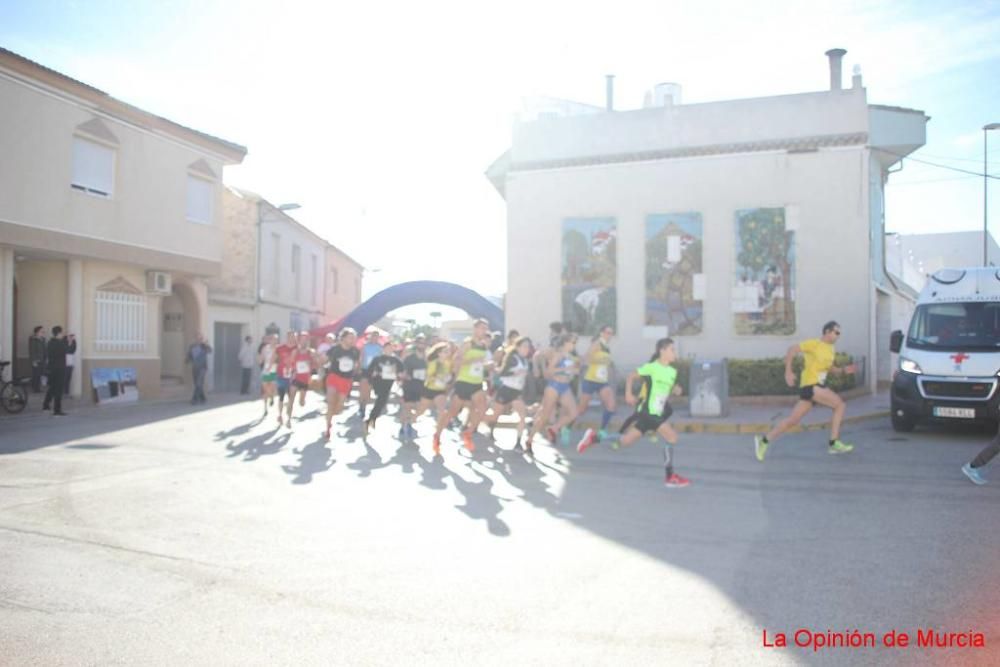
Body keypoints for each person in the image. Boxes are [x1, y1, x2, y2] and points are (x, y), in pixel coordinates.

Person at [579, 338, 689, 487]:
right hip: (648, 411)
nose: (674, 352)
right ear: (662, 351)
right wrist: (628, 394)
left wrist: (674, 390)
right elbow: (631, 376)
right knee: (672, 438)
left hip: (656, 411)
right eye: (671, 349)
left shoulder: (672, 372)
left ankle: (594, 437)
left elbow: (663, 389)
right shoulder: (652, 367)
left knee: (625, 441)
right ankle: (670, 477)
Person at [754, 321, 858, 461]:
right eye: (836, 332)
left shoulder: (831, 349)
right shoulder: (814, 344)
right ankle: (833, 443)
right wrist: (788, 372)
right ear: (827, 331)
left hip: (815, 387)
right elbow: (792, 349)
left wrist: (844, 370)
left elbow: (830, 369)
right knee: (840, 405)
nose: (838, 335)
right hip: (811, 385)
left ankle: (764, 441)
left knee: (793, 420)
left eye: (839, 333)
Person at [432, 319, 492, 454]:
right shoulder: (468, 344)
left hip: (477, 382)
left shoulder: (483, 345)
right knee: (452, 413)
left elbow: (480, 364)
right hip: (464, 382)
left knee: (483, 408)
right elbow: (456, 360)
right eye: (482, 328)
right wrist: (471, 361)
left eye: (486, 329)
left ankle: (468, 432)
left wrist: (487, 366)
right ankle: (437, 436)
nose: (484, 331)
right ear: (475, 329)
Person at [525, 333, 580, 450]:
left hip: (565, 386)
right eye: (573, 342)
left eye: (575, 343)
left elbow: (571, 372)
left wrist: (573, 372)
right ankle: (530, 439)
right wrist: (566, 369)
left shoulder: (570, 356)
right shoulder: (558, 355)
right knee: (544, 416)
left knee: (573, 413)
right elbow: (550, 371)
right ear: (565, 343)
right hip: (554, 386)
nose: (574, 345)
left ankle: (554, 428)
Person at [483, 336, 532, 452]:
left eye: (528, 347)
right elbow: (502, 373)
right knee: (496, 415)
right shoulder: (513, 358)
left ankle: (518, 442)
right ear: (518, 347)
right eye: (524, 346)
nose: (527, 349)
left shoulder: (525, 360)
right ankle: (489, 427)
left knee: (522, 415)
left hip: (516, 391)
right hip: (505, 389)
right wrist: (515, 372)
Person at [575, 326, 618, 449]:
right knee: (582, 409)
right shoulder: (597, 344)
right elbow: (587, 357)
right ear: (601, 333)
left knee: (611, 405)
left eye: (611, 333)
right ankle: (566, 428)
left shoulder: (607, 347)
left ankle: (602, 431)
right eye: (607, 332)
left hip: (602, 381)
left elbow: (606, 363)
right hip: (590, 380)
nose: (609, 335)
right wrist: (579, 363)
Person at [412, 342, 454, 454]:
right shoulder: (433, 363)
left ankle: (437, 436)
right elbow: (428, 376)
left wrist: (448, 379)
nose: (448, 353)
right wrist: (438, 377)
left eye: (448, 351)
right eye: (445, 351)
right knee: (421, 411)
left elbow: (450, 376)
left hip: (440, 391)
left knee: (442, 412)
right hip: (429, 389)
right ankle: (410, 421)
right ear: (439, 353)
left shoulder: (449, 363)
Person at [322, 328, 360, 441]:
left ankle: (331, 415)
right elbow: (324, 360)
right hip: (333, 377)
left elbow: (357, 364)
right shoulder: (335, 349)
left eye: (354, 338)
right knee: (330, 402)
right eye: (350, 337)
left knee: (339, 407)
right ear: (343, 338)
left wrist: (356, 368)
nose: (353, 340)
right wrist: (320, 360)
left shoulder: (355, 351)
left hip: (346, 380)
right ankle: (328, 427)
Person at [364, 341, 405, 437]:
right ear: (383, 349)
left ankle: (371, 419)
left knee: (381, 402)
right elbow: (370, 370)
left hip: (388, 383)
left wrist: (399, 376)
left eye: (391, 348)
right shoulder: (378, 359)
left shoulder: (396, 360)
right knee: (380, 400)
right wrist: (373, 375)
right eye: (387, 348)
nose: (389, 350)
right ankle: (371, 419)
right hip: (378, 382)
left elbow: (401, 371)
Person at [400, 335, 428, 439]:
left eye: (423, 343)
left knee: (419, 407)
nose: (422, 345)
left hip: (421, 386)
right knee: (407, 406)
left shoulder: (427, 359)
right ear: (416, 344)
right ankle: (404, 426)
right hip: (409, 385)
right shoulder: (409, 357)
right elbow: (403, 372)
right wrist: (406, 376)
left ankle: (409, 422)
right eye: (420, 342)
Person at [286, 332, 316, 428]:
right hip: (296, 377)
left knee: (301, 403)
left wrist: (312, 366)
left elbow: (315, 364)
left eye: (305, 340)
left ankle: (301, 400)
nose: (303, 342)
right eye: (302, 340)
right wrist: (291, 370)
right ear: (299, 341)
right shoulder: (295, 352)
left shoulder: (311, 352)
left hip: (305, 379)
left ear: (308, 341)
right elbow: (290, 362)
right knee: (291, 399)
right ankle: (288, 419)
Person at [42, 326, 74, 415]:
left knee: (52, 388)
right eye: (62, 333)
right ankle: (57, 410)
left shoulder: (50, 342)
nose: (63, 334)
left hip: (52, 368)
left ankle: (45, 405)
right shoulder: (60, 343)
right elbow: (69, 350)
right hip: (59, 369)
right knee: (58, 390)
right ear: (59, 333)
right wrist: (70, 341)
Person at [357, 328, 384, 421]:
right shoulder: (365, 346)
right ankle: (361, 405)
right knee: (362, 389)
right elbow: (360, 357)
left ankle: (364, 406)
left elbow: (382, 360)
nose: (374, 338)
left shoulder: (380, 348)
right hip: (365, 369)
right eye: (373, 336)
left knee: (368, 391)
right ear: (370, 337)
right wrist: (359, 368)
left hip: (374, 371)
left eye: (376, 337)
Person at [274, 331, 298, 426]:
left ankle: (289, 419)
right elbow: (274, 360)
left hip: (293, 376)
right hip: (281, 375)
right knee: (281, 397)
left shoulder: (297, 349)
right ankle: (280, 415)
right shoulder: (280, 348)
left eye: (294, 336)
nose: (292, 338)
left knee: (291, 398)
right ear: (287, 337)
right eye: (291, 336)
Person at [186, 334, 213, 405]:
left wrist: (206, 344)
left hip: (203, 368)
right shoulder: (192, 346)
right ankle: (202, 398)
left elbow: (210, 350)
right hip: (195, 368)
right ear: (195, 339)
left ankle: (194, 399)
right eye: (198, 338)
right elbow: (189, 355)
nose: (199, 340)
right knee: (197, 384)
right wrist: (187, 360)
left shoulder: (204, 346)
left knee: (198, 383)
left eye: (201, 338)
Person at [258, 334, 278, 417]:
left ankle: (272, 396)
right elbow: (261, 358)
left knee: (272, 387)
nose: (274, 341)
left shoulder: (278, 348)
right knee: (265, 388)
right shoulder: (265, 348)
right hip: (266, 370)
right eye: (272, 339)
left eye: (276, 340)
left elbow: (278, 359)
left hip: (274, 370)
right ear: (270, 340)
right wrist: (260, 359)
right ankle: (265, 408)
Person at [29, 325, 46, 393]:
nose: (43, 332)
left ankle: (37, 387)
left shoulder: (43, 339)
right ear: (37, 332)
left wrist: (46, 358)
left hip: (42, 359)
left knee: (40, 374)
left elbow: (44, 349)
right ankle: (35, 388)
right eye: (41, 331)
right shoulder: (33, 339)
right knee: (36, 374)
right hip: (36, 360)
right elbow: (32, 350)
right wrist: (33, 361)